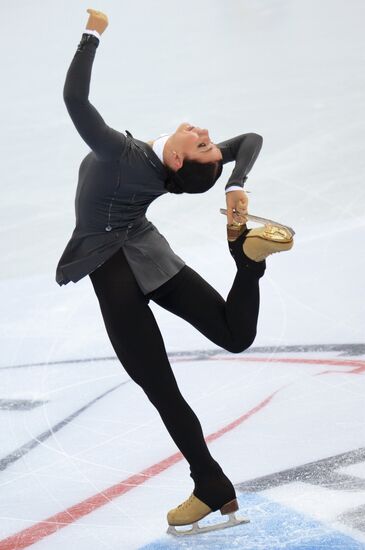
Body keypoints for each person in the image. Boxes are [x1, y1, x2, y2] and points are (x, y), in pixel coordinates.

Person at [56, 9, 294, 535]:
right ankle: (247, 264)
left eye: (205, 144)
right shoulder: (160, 163)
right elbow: (250, 138)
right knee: (233, 335)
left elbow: (75, 101)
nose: (206, 132)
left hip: (113, 265)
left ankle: (210, 484)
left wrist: (91, 33)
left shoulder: (122, 153)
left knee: (158, 385)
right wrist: (237, 181)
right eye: (210, 142)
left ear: (182, 164)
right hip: (145, 247)